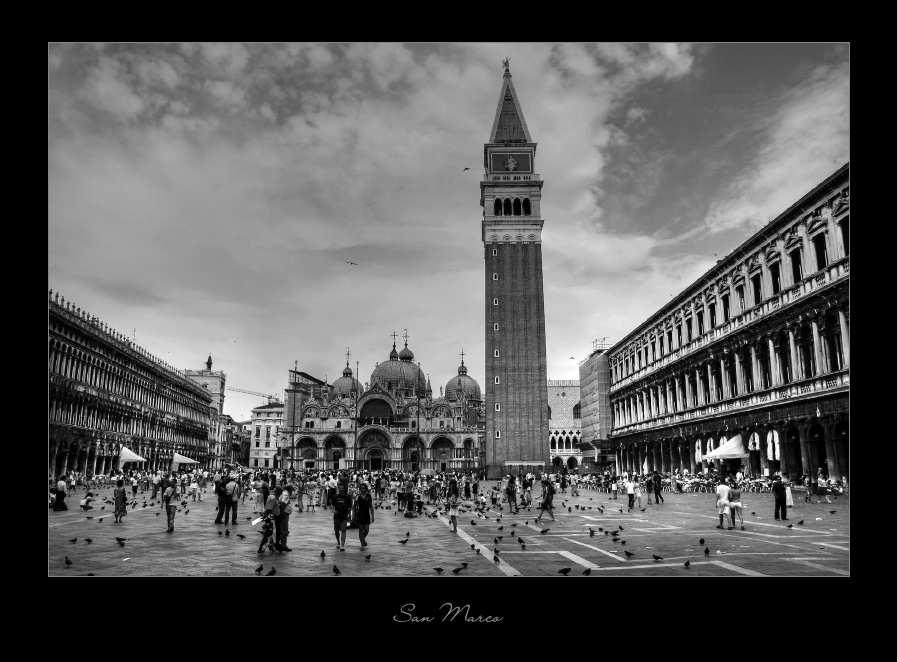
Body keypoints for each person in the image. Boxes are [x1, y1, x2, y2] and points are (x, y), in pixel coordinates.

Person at [257, 487, 282, 554]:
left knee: (270, 533)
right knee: (269, 533)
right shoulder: (273, 498)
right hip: (271, 518)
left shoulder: (272, 497)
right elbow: (269, 509)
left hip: (272, 517)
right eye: (280, 493)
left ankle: (270, 546)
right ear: (278, 492)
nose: (281, 494)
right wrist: (264, 516)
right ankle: (261, 548)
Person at [330, 482, 353, 551]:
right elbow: (331, 504)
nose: (341, 489)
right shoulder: (335, 497)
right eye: (340, 488)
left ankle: (342, 544)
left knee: (343, 530)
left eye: (342, 488)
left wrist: (349, 515)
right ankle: (338, 542)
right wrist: (333, 510)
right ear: (338, 489)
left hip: (344, 516)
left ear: (344, 489)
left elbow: (349, 507)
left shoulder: (347, 498)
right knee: (336, 531)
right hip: (336, 516)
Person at [354, 482, 375, 548]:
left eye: (364, 488)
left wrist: (373, 516)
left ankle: (362, 539)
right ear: (360, 489)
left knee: (366, 530)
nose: (362, 489)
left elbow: (371, 506)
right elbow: (354, 506)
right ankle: (362, 545)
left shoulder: (369, 496)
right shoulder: (358, 497)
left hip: (366, 514)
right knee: (360, 530)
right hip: (360, 514)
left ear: (366, 489)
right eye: (361, 488)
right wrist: (354, 515)